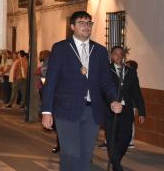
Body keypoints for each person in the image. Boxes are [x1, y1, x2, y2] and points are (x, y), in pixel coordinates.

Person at [42, 11, 122, 171]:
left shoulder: (99, 51)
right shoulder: (61, 48)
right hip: (66, 110)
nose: (86, 26)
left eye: (89, 23)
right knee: (71, 153)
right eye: (81, 23)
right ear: (72, 26)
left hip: (92, 111)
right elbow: (51, 82)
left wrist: (113, 99)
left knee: (85, 156)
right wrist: (46, 111)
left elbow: (106, 81)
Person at [104, 46, 146, 171]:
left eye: (120, 54)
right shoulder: (106, 70)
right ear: (111, 56)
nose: (118, 56)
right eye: (115, 53)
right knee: (112, 138)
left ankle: (115, 158)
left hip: (126, 111)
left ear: (123, 56)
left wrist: (142, 112)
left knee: (126, 138)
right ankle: (116, 165)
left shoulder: (130, 72)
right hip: (110, 110)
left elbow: (137, 93)